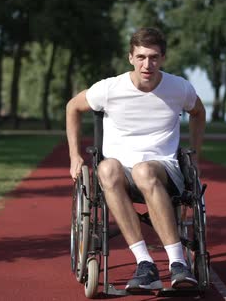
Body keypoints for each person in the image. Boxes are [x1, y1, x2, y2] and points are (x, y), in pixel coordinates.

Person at [66, 27, 206, 291]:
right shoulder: (110, 88)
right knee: (106, 169)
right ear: (130, 57)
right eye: (141, 57)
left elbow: (198, 112)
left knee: (143, 171)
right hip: (120, 175)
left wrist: (195, 155)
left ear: (163, 58)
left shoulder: (179, 88)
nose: (147, 64)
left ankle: (178, 263)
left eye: (153, 57)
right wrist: (74, 156)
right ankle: (145, 263)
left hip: (163, 170)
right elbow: (73, 106)